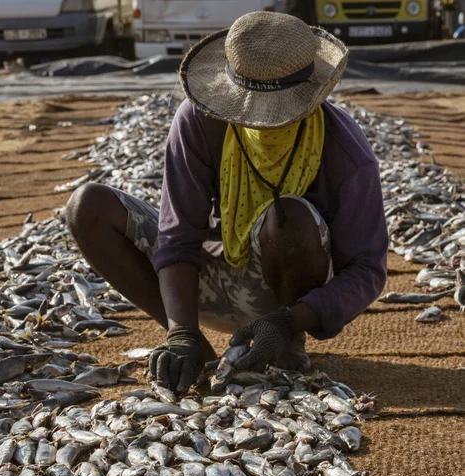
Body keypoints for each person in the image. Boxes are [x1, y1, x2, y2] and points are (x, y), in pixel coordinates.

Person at [66, 11, 388, 394]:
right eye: (253, 111)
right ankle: (193, 348)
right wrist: (181, 332)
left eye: (279, 114)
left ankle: (284, 346)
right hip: (211, 278)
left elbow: (367, 268)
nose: (264, 123)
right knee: (87, 205)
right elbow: (178, 236)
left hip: (292, 296)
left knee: (290, 218)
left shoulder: (345, 152)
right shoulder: (199, 121)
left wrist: (289, 320)